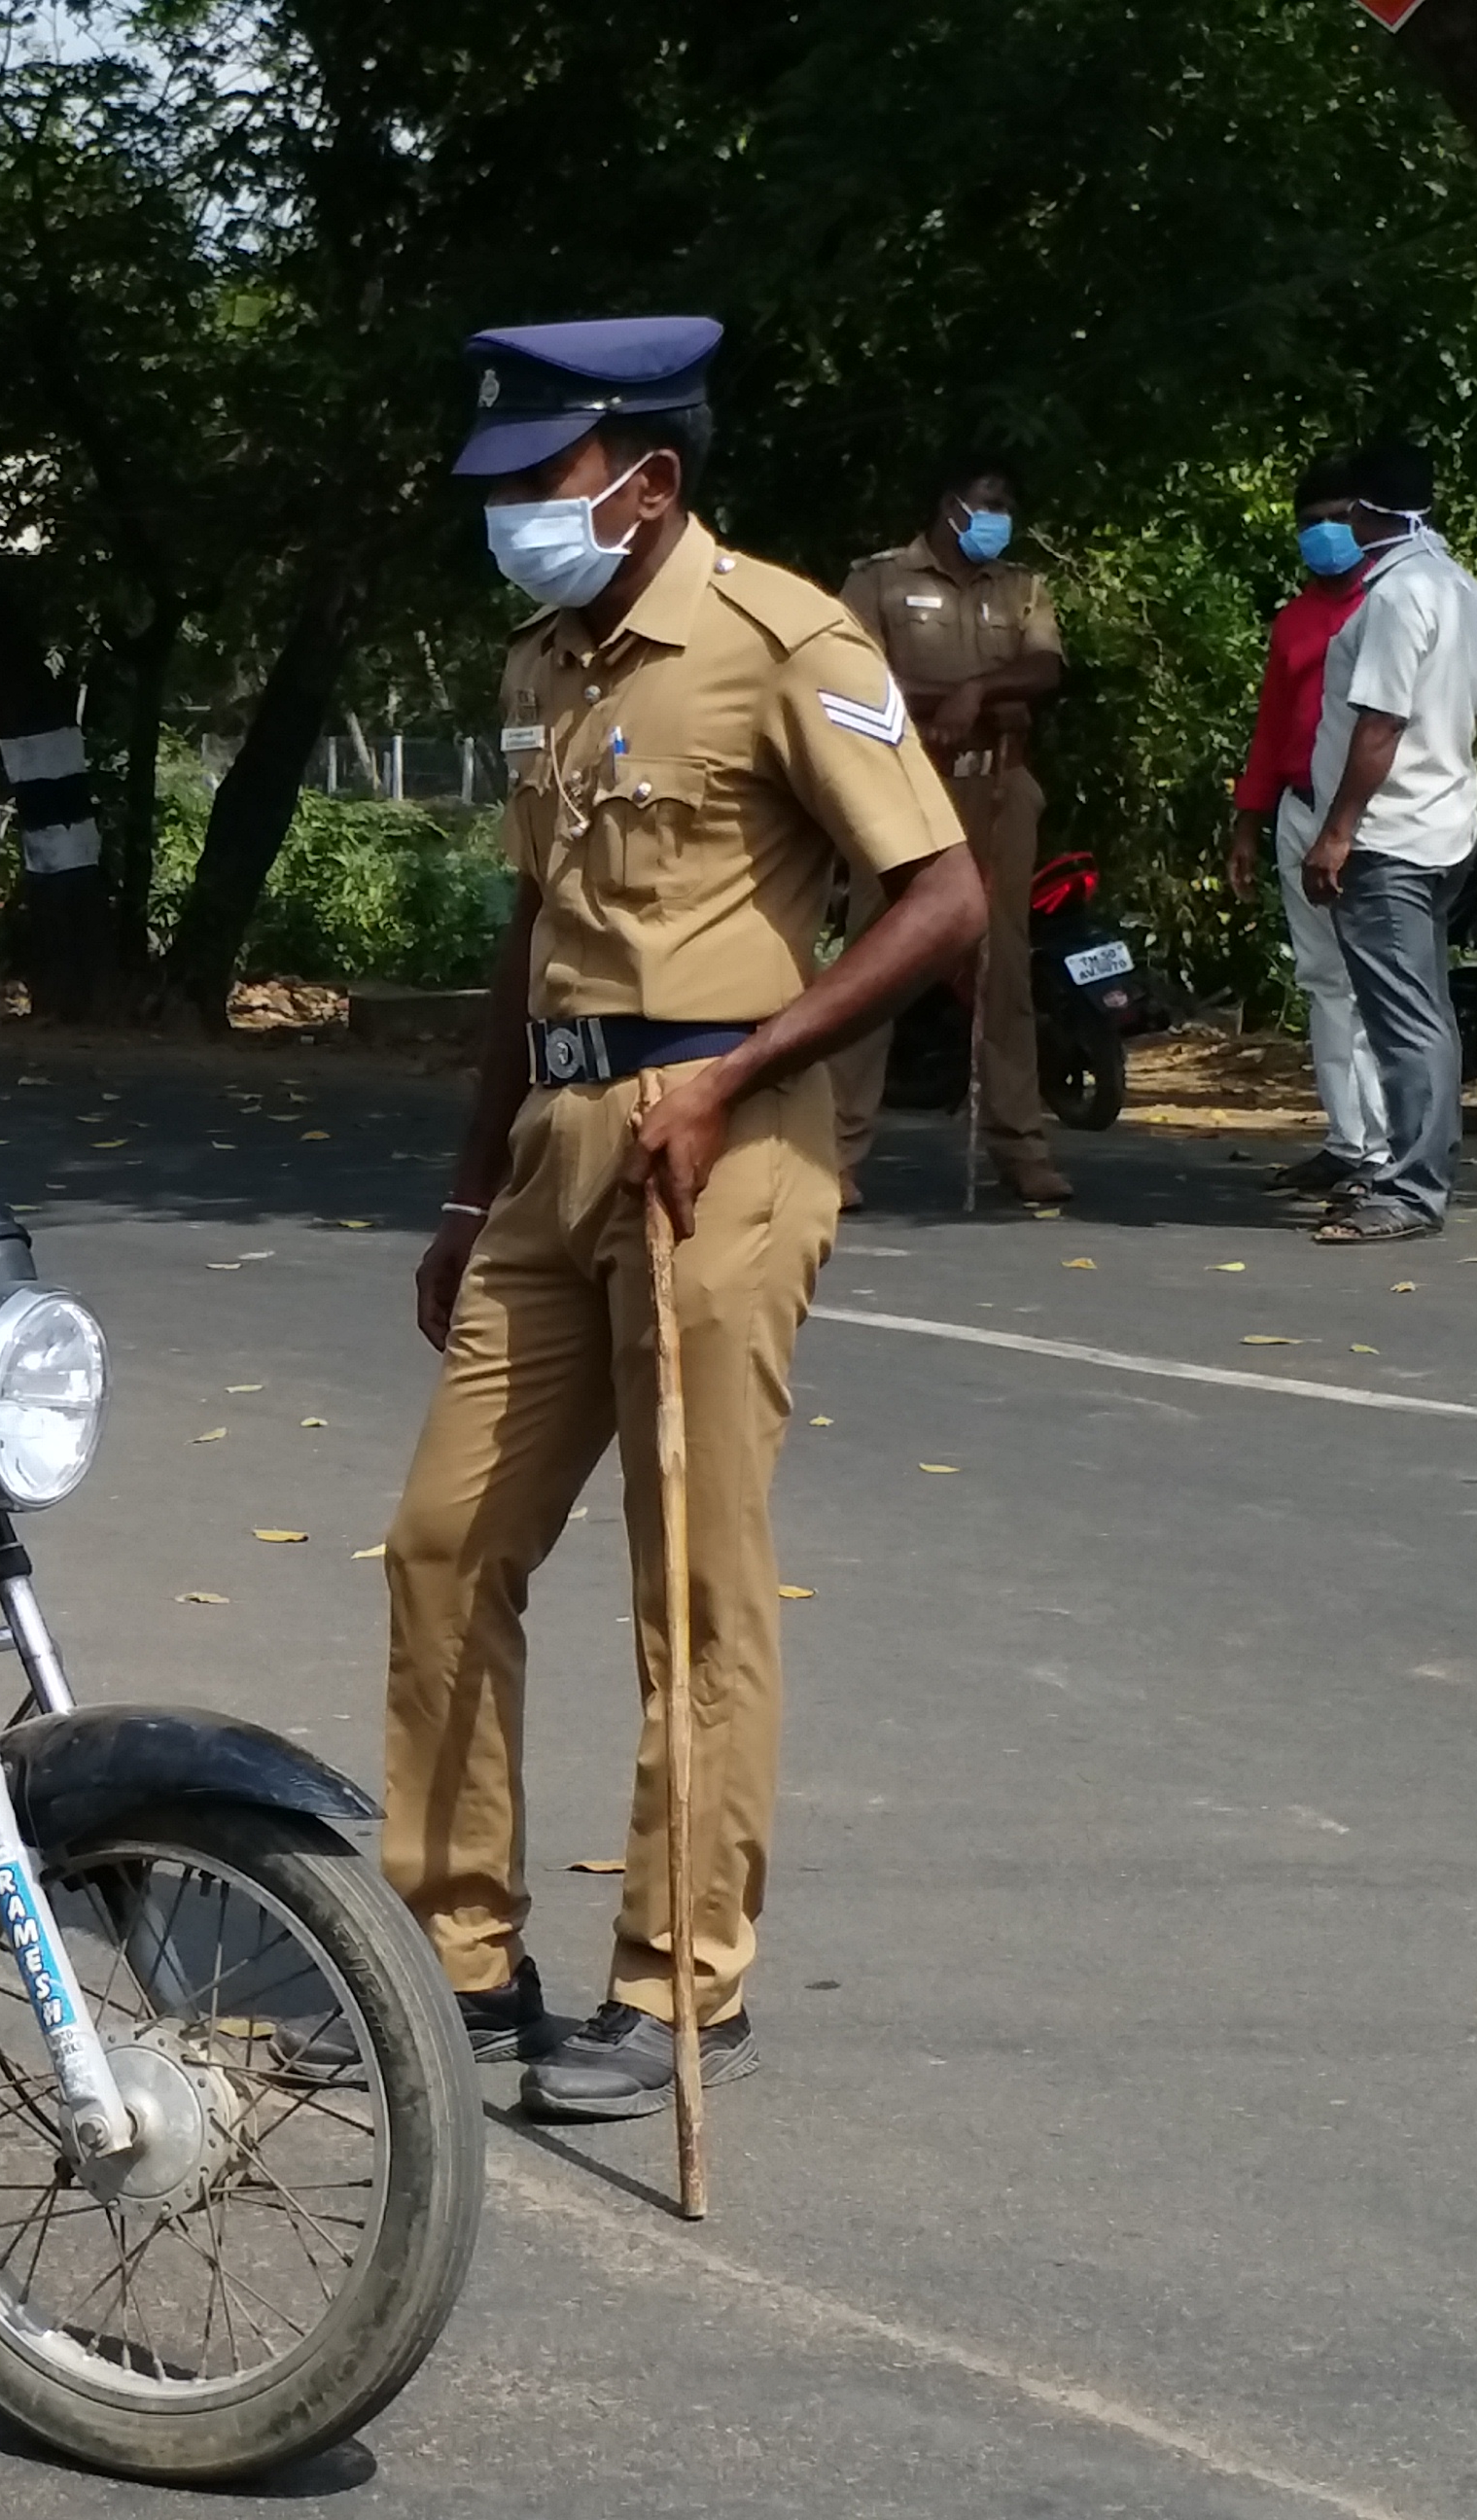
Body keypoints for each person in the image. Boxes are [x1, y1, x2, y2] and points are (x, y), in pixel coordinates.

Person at [384, 319, 985, 2120]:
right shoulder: (547, 662)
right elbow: (529, 939)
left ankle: (677, 1981)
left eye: (537, 485)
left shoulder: (783, 638)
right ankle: (454, 1950)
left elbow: (940, 895)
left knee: (689, 1571)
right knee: (441, 1544)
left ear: (646, 480)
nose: (509, 518)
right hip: (561, 1142)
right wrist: (466, 1178)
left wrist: (737, 1074)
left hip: (720, 1133)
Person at [826, 458, 1069, 1208]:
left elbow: (1045, 668)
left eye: (1007, 502)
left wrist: (974, 692)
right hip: (901, 786)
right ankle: (832, 1152)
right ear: (949, 505)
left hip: (995, 785)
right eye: (985, 501)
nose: (997, 515)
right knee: (877, 960)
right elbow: (854, 677)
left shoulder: (1021, 587)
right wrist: (953, 702)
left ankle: (1019, 1145)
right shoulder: (879, 580)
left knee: (1004, 968)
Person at [1297, 443, 1477, 1246]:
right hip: (1444, 821)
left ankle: (1413, 1188)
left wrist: (1338, 830)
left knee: (1406, 1018)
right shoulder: (1461, 589)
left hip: (1388, 833)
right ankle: (1413, 1171)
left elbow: (1381, 723)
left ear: (1365, 510)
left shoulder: (1394, 597)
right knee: (1425, 1012)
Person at [1225, 456, 1389, 1202]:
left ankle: (1386, 1151)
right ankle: (1346, 1140)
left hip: (1362, 814)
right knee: (1323, 980)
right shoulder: (1294, 620)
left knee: (1376, 981)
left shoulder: (1385, 608)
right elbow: (1270, 728)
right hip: (1297, 807)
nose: (1326, 532)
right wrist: (1247, 825)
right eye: (1310, 520)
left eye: (1339, 515)